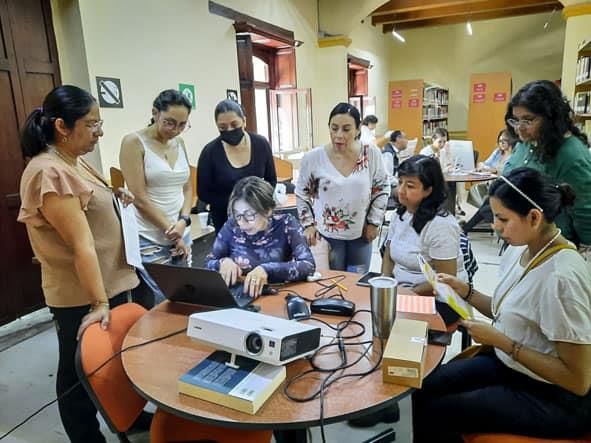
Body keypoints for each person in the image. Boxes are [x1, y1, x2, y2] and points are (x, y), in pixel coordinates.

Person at [413, 168, 591, 442]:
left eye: (502, 219)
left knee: (438, 411)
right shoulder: (521, 248)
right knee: (425, 386)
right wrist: (467, 291)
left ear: (534, 217)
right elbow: (505, 310)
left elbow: (578, 381)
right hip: (511, 365)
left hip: (553, 396)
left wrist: (504, 342)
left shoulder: (561, 278)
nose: (495, 226)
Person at [18, 85, 141, 443]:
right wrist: (99, 303)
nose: (99, 132)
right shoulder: (48, 172)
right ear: (62, 126)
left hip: (111, 282)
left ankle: (127, 419)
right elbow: (81, 242)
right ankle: (86, 437)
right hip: (82, 295)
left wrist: (116, 196)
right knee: (77, 371)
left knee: (114, 363)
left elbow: (91, 202)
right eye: (92, 124)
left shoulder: (74, 160)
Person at [295, 103, 389, 273]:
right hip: (326, 235)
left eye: (346, 129)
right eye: (334, 128)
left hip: (361, 234)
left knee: (357, 280)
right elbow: (301, 193)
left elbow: (382, 188)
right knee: (332, 283)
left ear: (358, 129)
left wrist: (374, 223)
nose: (339, 135)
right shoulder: (313, 158)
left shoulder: (371, 153)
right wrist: (307, 224)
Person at [119, 89, 193, 305]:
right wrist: (173, 233)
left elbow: (188, 188)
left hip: (180, 230)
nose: (175, 130)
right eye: (169, 122)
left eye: (182, 125)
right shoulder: (133, 142)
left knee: (186, 296)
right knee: (165, 299)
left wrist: (183, 221)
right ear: (155, 113)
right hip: (150, 235)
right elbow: (139, 197)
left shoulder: (179, 143)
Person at [503, 80, 591, 257]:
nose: (520, 128)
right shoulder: (525, 143)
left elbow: (585, 209)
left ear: (551, 118)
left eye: (528, 120)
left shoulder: (571, 154)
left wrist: (584, 253)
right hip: (522, 241)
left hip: (553, 246)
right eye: (515, 120)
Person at [381, 155, 468, 325]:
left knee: (398, 327)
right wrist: (385, 285)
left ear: (428, 190)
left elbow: (445, 279)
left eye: (410, 186)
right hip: (403, 291)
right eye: (400, 182)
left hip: (440, 298)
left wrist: (407, 295)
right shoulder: (401, 214)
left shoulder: (440, 225)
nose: (401, 190)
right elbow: (388, 255)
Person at [206, 176, 315, 298]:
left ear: (268, 210)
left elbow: (308, 266)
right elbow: (208, 262)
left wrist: (267, 269)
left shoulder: (286, 223)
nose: (242, 222)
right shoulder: (232, 225)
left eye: (250, 215)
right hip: (239, 295)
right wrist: (222, 262)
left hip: (273, 295)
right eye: (238, 215)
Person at [197, 99, 277, 233]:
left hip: (258, 217)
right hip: (225, 222)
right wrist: (235, 206)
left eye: (234, 125)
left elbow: (271, 180)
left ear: (244, 121)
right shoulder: (209, 152)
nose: (229, 130)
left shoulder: (261, 144)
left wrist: (258, 203)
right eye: (222, 128)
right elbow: (203, 193)